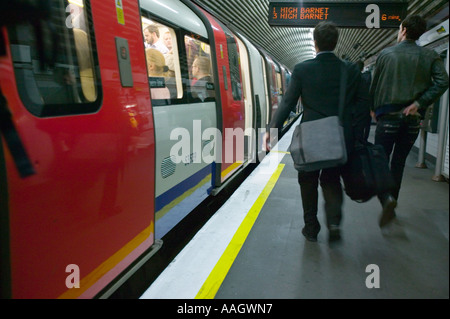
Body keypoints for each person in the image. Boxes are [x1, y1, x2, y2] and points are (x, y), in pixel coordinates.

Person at [263, 21, 367, 243]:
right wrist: (359, 138)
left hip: (311, 136)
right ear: (336, 42)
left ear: (315, 42)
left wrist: (272, 132)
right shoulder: (350, 70)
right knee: (331, 179)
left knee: (307, 180)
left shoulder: (302, 69)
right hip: (339, 137)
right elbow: (362, 106)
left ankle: (311, 227)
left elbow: (288, 104)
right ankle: (334, 223)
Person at [370, 15, 449, 227]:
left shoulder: (386, 54)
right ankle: (392, 201)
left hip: (388, 118)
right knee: (398, 162)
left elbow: (375, 85)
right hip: (412, 120)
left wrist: (372, 109)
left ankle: (386, 198)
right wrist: (419, 103)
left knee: (379, 160)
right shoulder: (430, 55)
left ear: (403, 30)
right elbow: (443, 82)